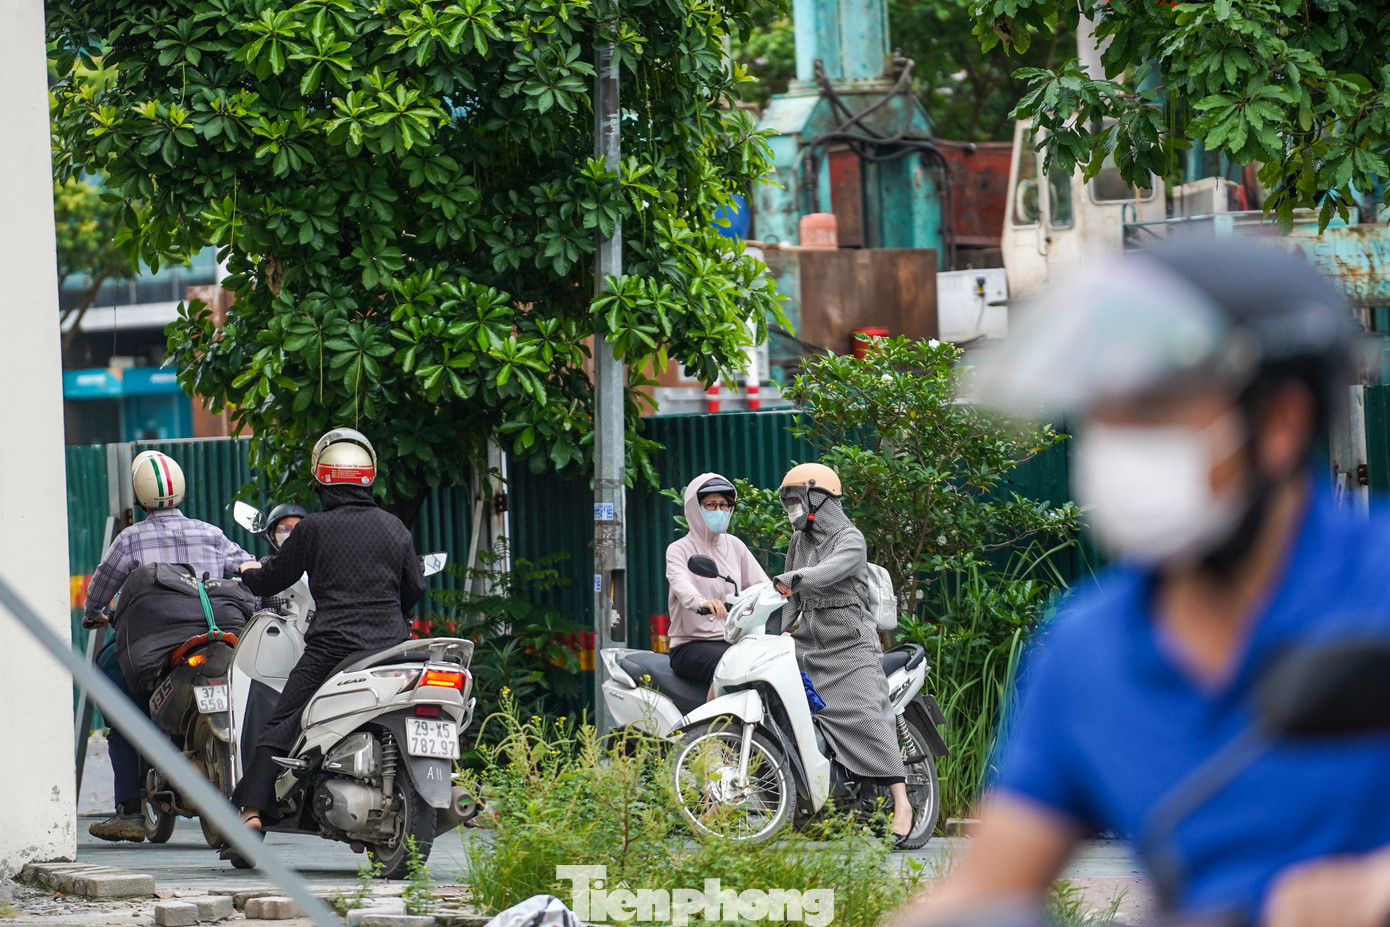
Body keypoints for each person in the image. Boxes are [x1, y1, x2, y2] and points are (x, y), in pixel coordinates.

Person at [892, 239, 1390, 927]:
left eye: (1154, 408)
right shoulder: (1086, 645)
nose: (1116, 441)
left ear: (1280, 422)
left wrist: (1368, 890)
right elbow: (987, 888)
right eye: (1104, 411)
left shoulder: (1375, 583)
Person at [232, 427, 426, 836]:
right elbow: (414, 588)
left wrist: (248, 571)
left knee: (284, 718)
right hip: (392, 648)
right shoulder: (394, 527)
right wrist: (398, 619)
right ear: (369, 478)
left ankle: (251, 811)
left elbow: (272, 579)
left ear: (321, 479)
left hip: (333, 647)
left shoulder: (314, 528)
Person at [82, 450, 255, 843]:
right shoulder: (210, 533)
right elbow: (248, 567)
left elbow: (101, 589)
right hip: (214, 634)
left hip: (154, 644)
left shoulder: (130, 539)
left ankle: (129, 810)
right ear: (182, 491)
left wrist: (94, 614)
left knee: (116, 697)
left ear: (139, 497)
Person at [773, 462, 912, 844]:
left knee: (869, 714)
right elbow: (791, 599)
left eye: (797, 499)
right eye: (788, 501)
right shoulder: (798, 542)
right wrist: (774, 632)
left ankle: (902, 802)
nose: (793, 508)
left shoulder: (851, 539)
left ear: (819, 498)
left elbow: (827, 572)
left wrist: (793, 579)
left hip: (851, 643)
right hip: (807, 643)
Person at [666, 473, 770, 694]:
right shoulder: (679, 550)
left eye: (724, 505)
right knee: (732, 667)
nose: (719, 511)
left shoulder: (735, 545)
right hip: (691, 645)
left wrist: (780, 594)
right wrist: (702, 602)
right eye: (710, 505)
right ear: (695, 507)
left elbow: (762, 585)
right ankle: (715, 718)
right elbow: (681, 584)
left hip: (734, 640)